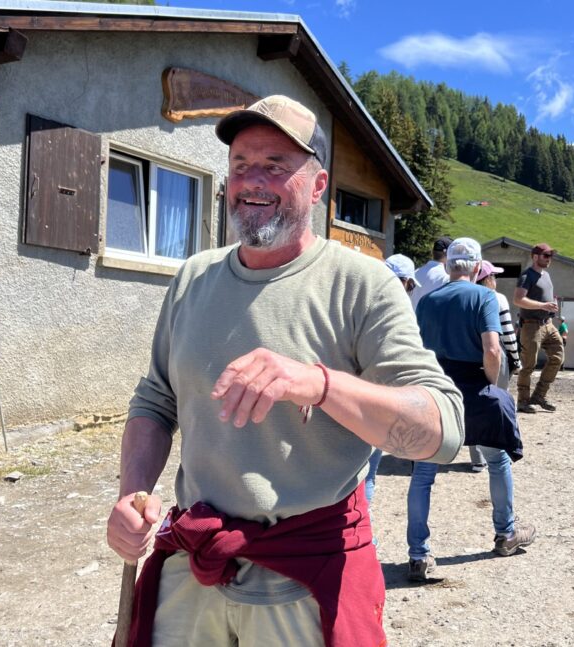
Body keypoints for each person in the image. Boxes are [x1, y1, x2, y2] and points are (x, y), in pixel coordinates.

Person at [106, 95, 465, 646]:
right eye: (242, 164)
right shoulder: (192, 279)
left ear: (318, 186)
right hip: (193, 566)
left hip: (305, 575)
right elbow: (155, 401)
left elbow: (442, 430)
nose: (254, 180)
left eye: (276, 165)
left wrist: (319, 384)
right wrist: (132, 496)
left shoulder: (363, 286)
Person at [406, 238, 534, 582]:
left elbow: (415, 349)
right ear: (477, 268)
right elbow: (493, 351)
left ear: (448, 266)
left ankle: (418, 554)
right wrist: (490, 386)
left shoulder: (427, 300)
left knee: (423, 476)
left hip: (435, 392)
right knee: (497, 460)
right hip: (473, 388)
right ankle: (506, 534)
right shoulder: (485, 297)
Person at [365, 253, 421, 504]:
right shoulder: (398, 309)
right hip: (378, 395)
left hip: (350, 389)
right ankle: (363, 534)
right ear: (405, 282)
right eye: (410, 285)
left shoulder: (362, 297)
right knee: (367, 473)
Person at [468, 260, 521, 472]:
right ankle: (499, 454)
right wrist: (516, 358)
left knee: (473, 405)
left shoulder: (467, 296)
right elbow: (508, 333)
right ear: (487, 279)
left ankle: (477, 459)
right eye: (494, 276)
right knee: (498, 403)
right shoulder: (497, 299)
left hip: (471, 355)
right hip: (494, 353)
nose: (496, 280)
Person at [513, 242, 564, 414]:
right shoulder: (527, 276)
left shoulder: (546, 275)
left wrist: (551, 305)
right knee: (528, 365)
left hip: (548, 325)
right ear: (535, 257)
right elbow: (518, 300)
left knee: (558, 357)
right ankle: (523, 401)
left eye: (551, 255)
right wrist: (543, 305)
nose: (549, 259)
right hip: (531, 326)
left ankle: (539, 396)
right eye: (546, 255)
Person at [409, 236, 453, 309]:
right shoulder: (445, 278)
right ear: (448, 254)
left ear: (432, 252)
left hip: (412, 319)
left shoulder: (415, 273)